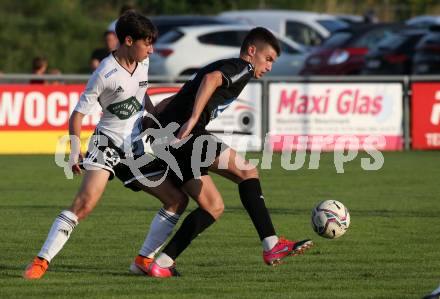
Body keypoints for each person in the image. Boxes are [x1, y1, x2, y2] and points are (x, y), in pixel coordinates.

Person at [23, 11, 188, 280]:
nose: (151, 49)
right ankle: (41, 261)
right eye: (147, 43)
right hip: (107, 145)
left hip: (134, 148)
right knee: (84, 205)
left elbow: (141, 96)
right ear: (128, 40)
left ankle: (143, 260)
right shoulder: (105, 73)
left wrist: (151, 120)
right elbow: (77, 114)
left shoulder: (143, 63)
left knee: (176, 200)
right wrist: (75, 150)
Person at [144, 27, 313, 277]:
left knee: (212, 206)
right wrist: (192, 120)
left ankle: (163, 264)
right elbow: (211, 79)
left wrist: (156, 120)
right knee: (248, 171)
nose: (269, 67)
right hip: (186, 135)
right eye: (268, 59)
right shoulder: (241, 67)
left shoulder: (227, 65)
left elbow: (184, 93)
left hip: (168, 141)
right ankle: (271, 244)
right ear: (252, 51)